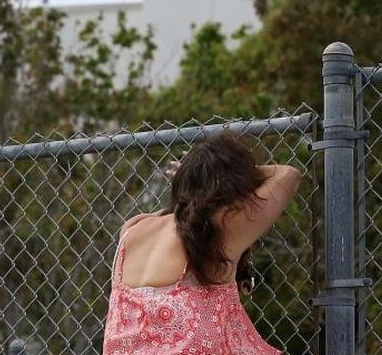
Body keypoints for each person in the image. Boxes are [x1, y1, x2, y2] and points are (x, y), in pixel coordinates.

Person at [102, 131, 301, 355]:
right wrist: (232, 173)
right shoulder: (216, 231)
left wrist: (191, 173)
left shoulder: (133, 228)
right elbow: (288, 175)